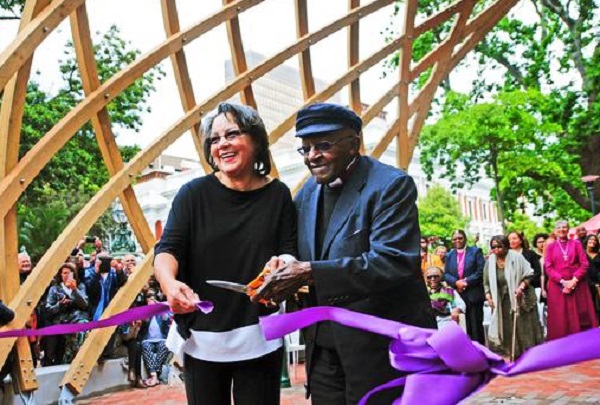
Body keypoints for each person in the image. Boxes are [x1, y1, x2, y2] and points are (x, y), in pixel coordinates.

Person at [254, 102, 435, 404]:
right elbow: (296, 255)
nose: (313, 156)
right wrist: (281, 267)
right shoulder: (305, 195)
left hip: (382, 351)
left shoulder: (391, 185)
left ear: (353, 143)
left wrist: (310, 271)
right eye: (306, 147)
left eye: (323, 145)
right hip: (324, 351)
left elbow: (393, 262)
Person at [153, 102, 297, 404]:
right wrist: (169, 283)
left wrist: (281, 266)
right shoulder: (193, 194)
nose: (222, 144)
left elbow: (289, 251)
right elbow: (168, 250)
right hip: (202, 338)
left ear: (256, 141)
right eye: (215, 139)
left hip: (259, 337)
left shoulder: (278, 195)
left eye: (232, 134)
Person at [483, 236, 543, 359]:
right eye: (493, 247)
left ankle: (529, 354)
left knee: (523, 326)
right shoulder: (489, 262)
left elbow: (529, 274)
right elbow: (486, 282)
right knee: (507, 326)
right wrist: (488, 295)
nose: (497, 249)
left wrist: (521, 286)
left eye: (500, 246)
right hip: (502, 300)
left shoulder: (517, 258)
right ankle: (512, 352)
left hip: (520, 297)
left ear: (506, 246)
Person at [545, 220, 598, 340]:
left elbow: (584, 264)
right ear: (555, 230)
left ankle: (583, 342)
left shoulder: (576, 244)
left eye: (564, 227)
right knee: (561, 317)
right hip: (558, 287)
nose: (562, 229)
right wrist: (563, 282)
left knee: (582, 314)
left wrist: (574, 280)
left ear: (568, 229)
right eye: (559, 227)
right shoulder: (551, 246)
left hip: (578, 284)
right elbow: (548, 267)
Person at [444, 229, 486, 344]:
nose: (457, 240)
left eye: (460, 238)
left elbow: (481, 271)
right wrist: (456, 283)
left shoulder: (475, 251)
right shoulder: (449, 255)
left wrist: (466, 281)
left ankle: (479, 352)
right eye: (455, 239)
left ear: (465, 239)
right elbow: (446, 274)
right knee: (461, 326)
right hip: (457, 295)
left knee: (475, 326)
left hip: (473, 293)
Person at [44, 263, 90, 364]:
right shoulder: (54, 289)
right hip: (60, 321)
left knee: (83, 329)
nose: (66, 275)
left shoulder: (80, 286)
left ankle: (81, 358)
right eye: (64, 273)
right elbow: (48, 309)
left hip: (77, 319)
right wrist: (60, 305)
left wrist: (74, 289)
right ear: (60, 274)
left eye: (69, 273)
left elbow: (84, 304)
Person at [140, 289, 172, 388]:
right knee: (145, 347)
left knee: (164, 346)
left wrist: (159, 307)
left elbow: (166, 318)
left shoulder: (162, 309)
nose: (151, 298)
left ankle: (154, 376)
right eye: (148, 296)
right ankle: (155, 376)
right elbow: (144, 323)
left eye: (153, 296)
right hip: (147, 340)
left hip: (162, 339)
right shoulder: (144, 310)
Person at [583, 234, 600, 322]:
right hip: (585, 282)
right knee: (589, 305)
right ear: (586, 241)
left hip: (598, 283)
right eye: (591, 239)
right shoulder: (581, 254)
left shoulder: (598, 254)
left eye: (595, 240)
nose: (593, 241)